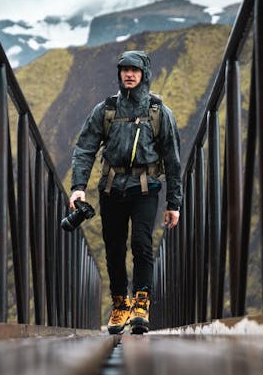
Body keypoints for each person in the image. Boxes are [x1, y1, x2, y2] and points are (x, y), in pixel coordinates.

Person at [69, 50, 182, 334]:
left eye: (135, 70)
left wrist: (174, 203)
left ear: (144, 74)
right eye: (124, 70)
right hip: (111, 190)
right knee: (114, 251)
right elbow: (85, 149)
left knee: (142, 244)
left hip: (146, 189)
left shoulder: (159, 112)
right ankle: (121, 305)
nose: (129, 74)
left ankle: (141, 304)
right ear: (119, 73)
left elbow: (172, 159)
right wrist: (78, 188)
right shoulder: (105, 110)